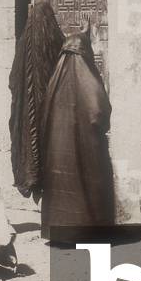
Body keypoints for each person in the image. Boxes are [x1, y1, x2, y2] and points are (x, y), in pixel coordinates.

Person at [40, 23, 115, 242]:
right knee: (88, 186)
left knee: (63, 188)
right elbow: (98, 110)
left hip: (58, 148)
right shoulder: (87, 76)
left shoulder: (55, 78)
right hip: (86, 147)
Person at [9, 2, 64, 201]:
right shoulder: (54, 40)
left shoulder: (23, 44)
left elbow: (13, 81)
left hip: (27, 117)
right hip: (52, 114)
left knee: (33, 155)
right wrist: (84, 36)